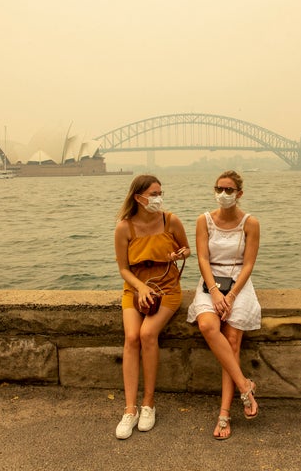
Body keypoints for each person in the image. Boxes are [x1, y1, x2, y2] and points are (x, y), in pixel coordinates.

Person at [114, 174, 190, 439]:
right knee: (132, 337)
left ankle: (148, 404)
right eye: (153, 194)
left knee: (148, 334)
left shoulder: (171, 220)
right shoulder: (124, 227)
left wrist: (179, 254)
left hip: (166, 289)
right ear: (138, 198)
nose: (158, 199)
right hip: (135, 290)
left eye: (160, 193)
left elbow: (187, 250)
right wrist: (141, 288)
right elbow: (123, 268)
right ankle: (129, 409)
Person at [187, 170, 261, 440]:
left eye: (229, 190)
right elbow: (203, 260)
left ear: (239, 193)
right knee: (208, 325)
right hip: (211, 282)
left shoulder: (250, 223)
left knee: (232, 339)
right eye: (219, 188)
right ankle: (245, 386)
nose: (223, 194)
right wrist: (217, 293)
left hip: (239, 284)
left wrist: (231, 296)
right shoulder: (203, 220)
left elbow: (249, 264)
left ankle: (224, 412)